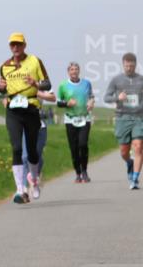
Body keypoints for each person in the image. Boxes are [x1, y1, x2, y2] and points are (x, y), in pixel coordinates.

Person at [0, 33, 51, 204]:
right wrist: (1, 87)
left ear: (24, 45)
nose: (16, 48)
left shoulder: (35, 61)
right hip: (13, 110)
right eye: (12, 45)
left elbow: (47, 84)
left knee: (32, 151)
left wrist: (36, 84)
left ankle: (34, 181)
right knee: (16, 148)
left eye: (19, 44)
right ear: (9, 47)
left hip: (31, 108)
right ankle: (20, 189)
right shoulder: (5, 66)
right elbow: (2, 89)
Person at [103, 52, 143, 189]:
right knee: (124, 152)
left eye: (131, 66)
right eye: (127, 66)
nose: (129, 68)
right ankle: (129, 162)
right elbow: (106, 97)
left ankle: (135, 179)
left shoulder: (141, 80)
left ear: (135, 65)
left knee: (138, 147)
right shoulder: (116, 80)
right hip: (122, 117)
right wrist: (117, 98)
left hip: (138, 118)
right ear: (123, 65)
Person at [56, 62, 95, 183]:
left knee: (83, 144)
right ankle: (78, 173)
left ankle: (84, 171)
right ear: (68, 72)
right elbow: (58, 102)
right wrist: (67, 103)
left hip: (85, 118)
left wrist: (91, 102)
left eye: (76, 69)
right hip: (70, 120)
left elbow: (91, 96)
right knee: (74, 147)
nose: (74, 71)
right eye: (72, 69)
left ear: (79, 71)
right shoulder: (63, 85)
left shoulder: (86, 83)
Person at [21, 89, 56, 199]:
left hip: (40, 127)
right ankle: (24, 189)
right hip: (25, 125)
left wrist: (38, 92)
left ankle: (35, 180)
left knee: (36, 156)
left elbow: (52, 97)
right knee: (25, 157)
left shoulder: (41, 83)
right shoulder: (19, 82)